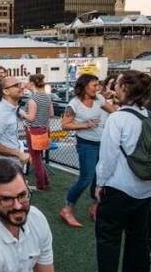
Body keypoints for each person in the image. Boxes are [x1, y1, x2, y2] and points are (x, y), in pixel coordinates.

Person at [95, 70, 151, 272]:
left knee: (108, 239)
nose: (114, 86)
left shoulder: (117, 118)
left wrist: (100, 183)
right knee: (138, 240)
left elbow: (108, 158)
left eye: (117, 83)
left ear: (124, 88)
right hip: (145, 189)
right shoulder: (147, 115)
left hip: (119, 188)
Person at [59, 73, 117, 228]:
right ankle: (67, 209)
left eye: (98, 85)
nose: (97, 88)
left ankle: (94, 206)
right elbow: (65, 125)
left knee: (99, 177)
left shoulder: (99, 99)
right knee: (86, 178)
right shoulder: (74, 104)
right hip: (86, 145)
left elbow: (115, 112)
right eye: (94, 85)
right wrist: (84, 125)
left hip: (102, 143)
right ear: (84, 86)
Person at [0, 77, 31, 166]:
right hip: (2, 167)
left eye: (21, 84)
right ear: (6, 92)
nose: (22, 87)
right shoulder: (2, 113)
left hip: (9, 164)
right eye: (17, 85)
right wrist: (18, 154)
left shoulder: (11, 110)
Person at [20, 74, 53, 190]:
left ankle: (40, 184)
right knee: (39, 158)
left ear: (32, 84)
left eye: (28, 82)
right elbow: (51, 114)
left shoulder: (32, 99)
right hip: (44, 130)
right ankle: (46, 180)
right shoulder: (47, 97)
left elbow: (31, 118)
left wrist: (21, 112)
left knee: (36, 159)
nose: (26, 84)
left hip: (33, 131)